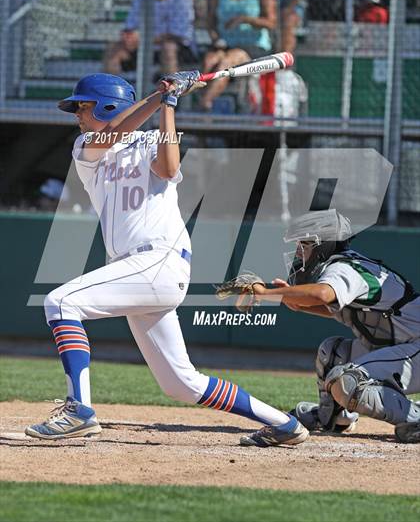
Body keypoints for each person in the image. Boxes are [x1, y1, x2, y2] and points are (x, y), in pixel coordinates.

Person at [24, 71, 308, 448]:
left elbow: (169, 168)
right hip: (136, 270)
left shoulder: (156, 139)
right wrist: (161, 97)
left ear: (108, 105)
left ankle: (80, 410)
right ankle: (284, 424)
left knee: (60, 302)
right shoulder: (87, 147)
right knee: (180, 383)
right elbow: (113, 135)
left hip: (158, 260)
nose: (77, 113)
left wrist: (169, 104)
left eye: (83, 106)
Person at [225, 209, 420, 444]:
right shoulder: (346, 263)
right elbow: (338, 307)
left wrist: (266, 293)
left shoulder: (345, 268)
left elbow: (322, 294)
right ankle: (336, 419)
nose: (299, 251)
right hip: (403, 346)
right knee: (333, 352)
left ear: (322, 245)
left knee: (348, 382)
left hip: (414, 349)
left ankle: (414, 417)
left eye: (304, 244)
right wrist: (295, 302)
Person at [200, 0, 277, 111]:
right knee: (210, 61)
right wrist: (216, 41)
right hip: (225, 44)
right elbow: (210, 23)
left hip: (253, 46)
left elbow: (271, 23)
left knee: (227, 62)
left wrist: (246, 19)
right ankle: (191, 98)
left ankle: (204, 105)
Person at [104, 0, 197, 76]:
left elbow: (179, 35)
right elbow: (130, 26)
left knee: (168, 48)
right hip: (144, 48)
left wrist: (144, 39)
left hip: (179, 49)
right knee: (113, 48)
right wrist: (128, 37)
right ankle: (110, 90)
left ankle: (173, 90)